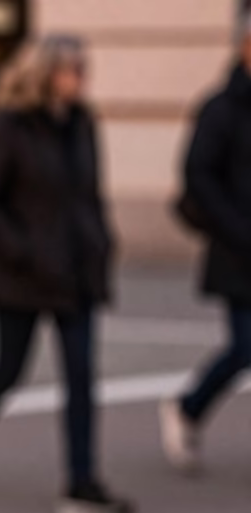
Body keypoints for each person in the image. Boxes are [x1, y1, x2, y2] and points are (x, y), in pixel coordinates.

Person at [0, 35, 133, 513]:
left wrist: (102, 242)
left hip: (76, 272)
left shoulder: (81, 124)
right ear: (46, 72)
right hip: (24, 276)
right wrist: (22, 249)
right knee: (9, 370)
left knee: (81, 378)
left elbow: (88, 194)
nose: (81, 79)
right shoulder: (9, 127)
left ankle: (82, 483)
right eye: (74, 69)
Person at [159, 17, 251, 475]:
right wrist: (237, 228)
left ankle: (189, 409)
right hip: (239, 251)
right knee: (245, 346)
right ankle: (189, 408)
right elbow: (198, 177)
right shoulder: (220, 108)